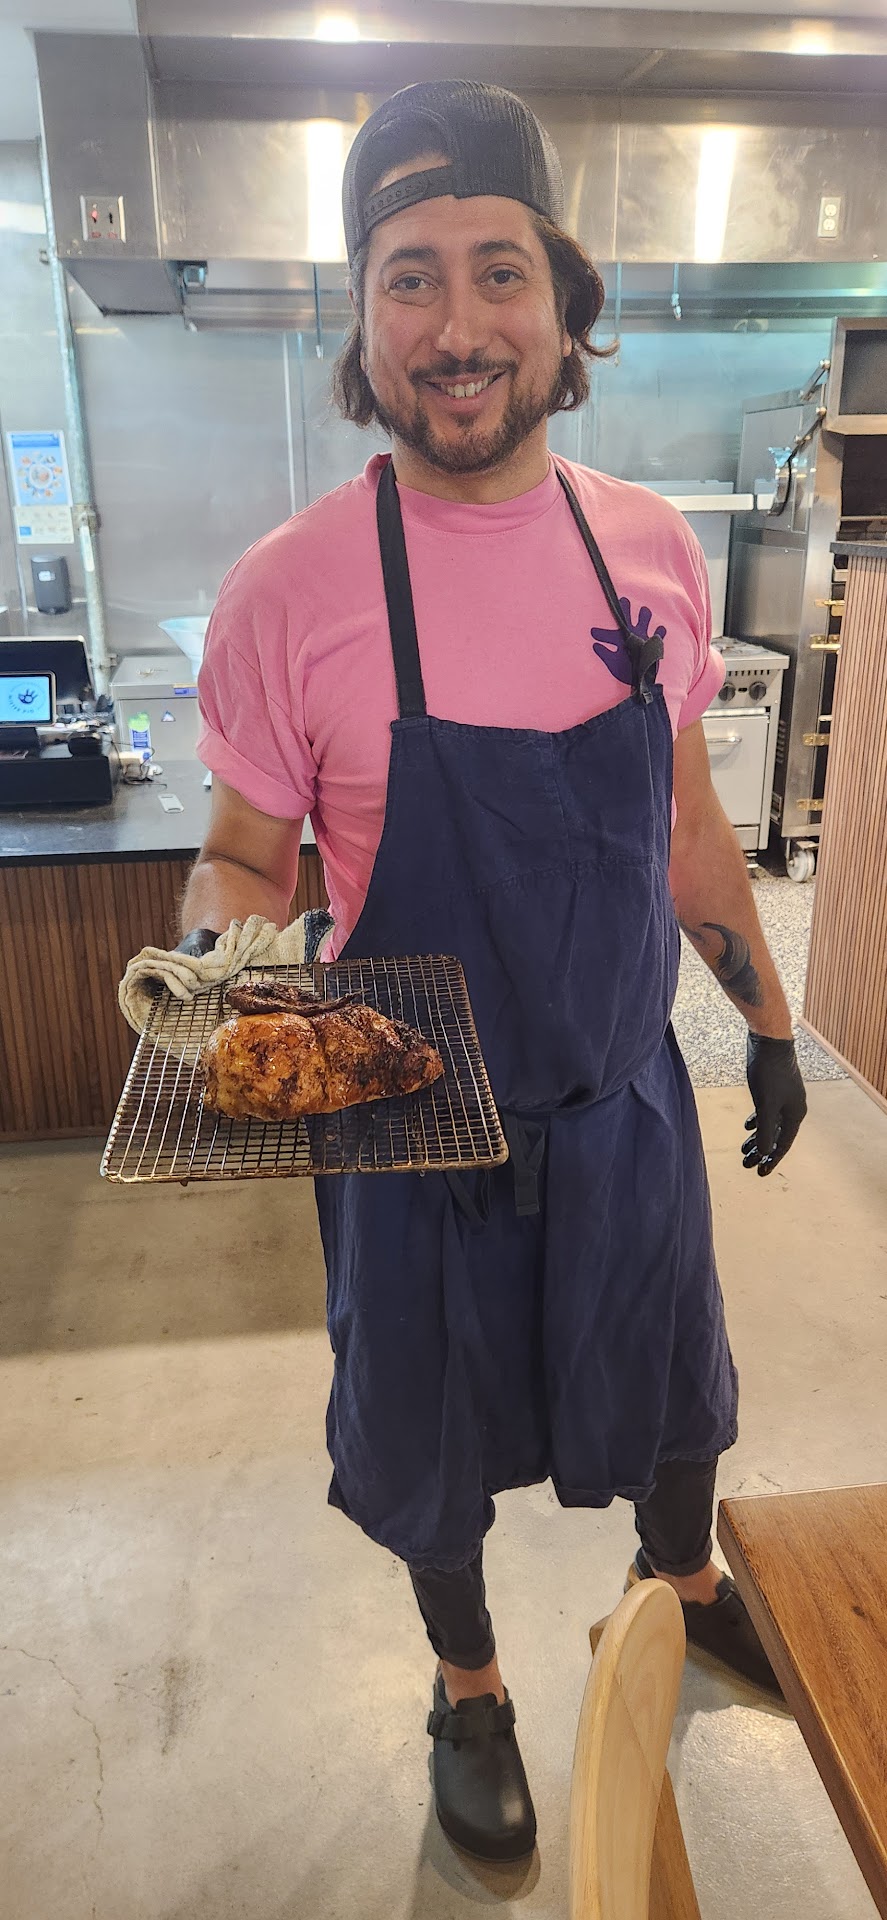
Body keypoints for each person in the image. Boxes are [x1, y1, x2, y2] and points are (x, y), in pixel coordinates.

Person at [182, 81, 807, 1863]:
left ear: (565, 300)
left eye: (498, 271)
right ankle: (470, 1687)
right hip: (408, 1127)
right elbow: (248, 854)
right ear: (362, 319)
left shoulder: (650, 551)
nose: (458, 325)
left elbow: (685, 823)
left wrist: (767, 1022)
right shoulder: (289, 592)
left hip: (619, 1097)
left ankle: (682, 1581)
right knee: (427, 1435)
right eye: (410, 277)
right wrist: (215, 952)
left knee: (678, 1381)